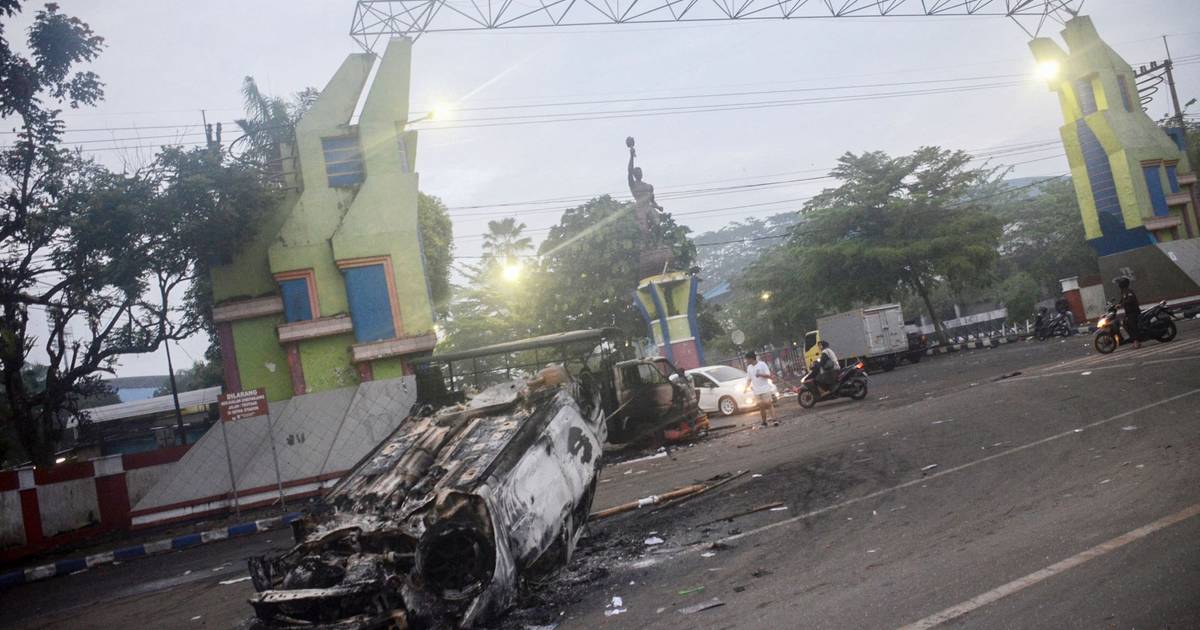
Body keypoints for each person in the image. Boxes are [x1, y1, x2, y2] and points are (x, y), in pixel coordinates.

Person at [744, 351, 777, 427]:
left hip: (765, 388)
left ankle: (774, 420)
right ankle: (764, 422)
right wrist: (746, 387)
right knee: (761, 406)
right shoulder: (749, 368)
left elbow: (769, 375)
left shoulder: (762, 364)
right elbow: (749, 379)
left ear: (751, 358)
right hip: (756, 390)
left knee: (769, 404)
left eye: (747, 359)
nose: (746, 361)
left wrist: (760, 374)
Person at [1117, 276, 1141, 349]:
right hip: (1129, 312)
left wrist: (1122, 304)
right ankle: (1134, 340)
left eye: (1120, 284)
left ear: (1122, 284)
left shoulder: (1129, 291)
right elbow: (1121, 300)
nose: (1119, 285)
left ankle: (1137, 341)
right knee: (1125, 323)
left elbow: (1130, 300)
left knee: (1132, 325)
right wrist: (1117, 305)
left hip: (1133, 312)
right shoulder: (1124, 292)